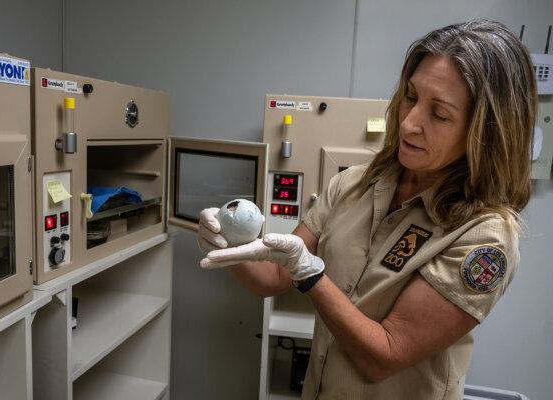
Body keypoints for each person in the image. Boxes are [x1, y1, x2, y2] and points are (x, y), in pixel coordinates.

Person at [197, 19, 537, 399]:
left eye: (439, 114)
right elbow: (271, 278)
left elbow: (384, 355)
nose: (408, 123)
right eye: (410, 96)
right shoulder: (355, 183)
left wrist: (310, 273)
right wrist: (225, 239)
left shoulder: (483, 236)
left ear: (485, 133)